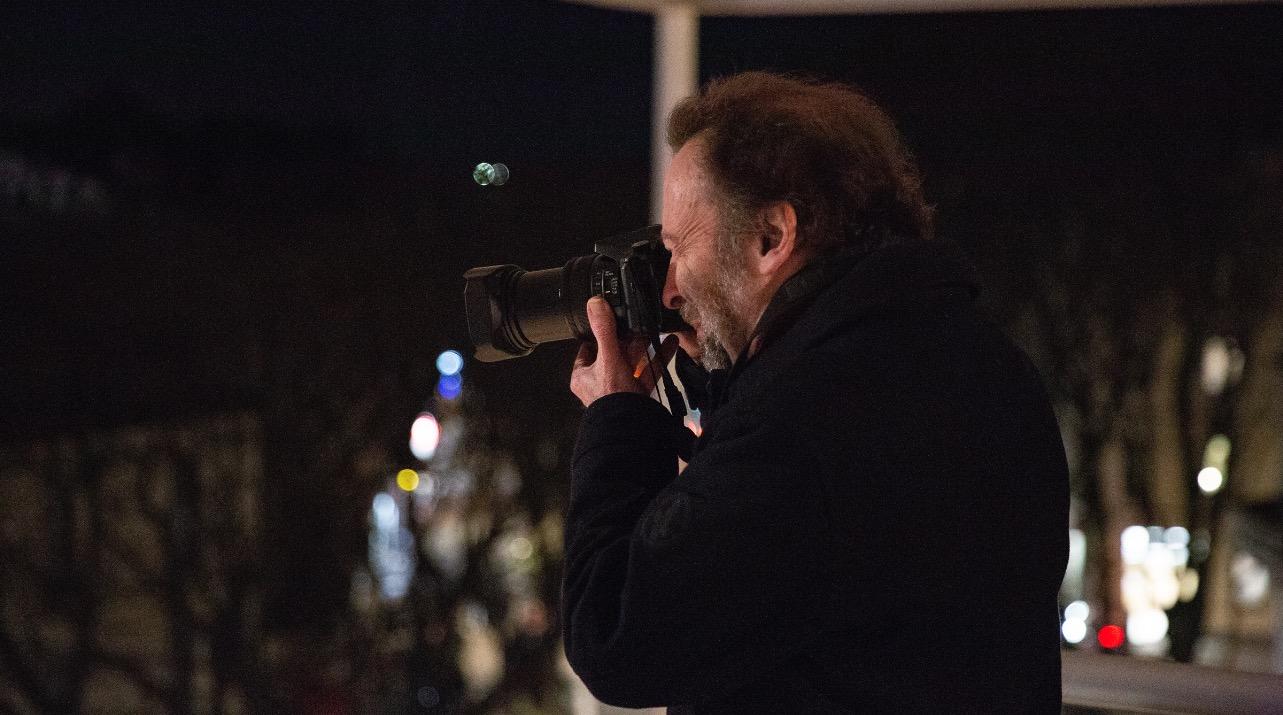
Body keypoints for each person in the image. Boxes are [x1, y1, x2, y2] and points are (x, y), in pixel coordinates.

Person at [562, 72, 1068, 713]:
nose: (666, 292)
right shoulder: (990, 369)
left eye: (677, 248)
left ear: (772, 237)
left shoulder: (799, 419)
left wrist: (616, 421)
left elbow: (615, 637)